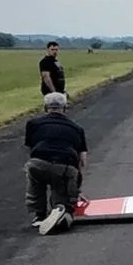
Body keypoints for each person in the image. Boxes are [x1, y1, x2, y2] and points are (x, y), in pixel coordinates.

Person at [24, 92, 87, 234]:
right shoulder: (76, 128)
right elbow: (82, 159)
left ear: (45, 107)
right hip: (65, 166)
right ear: (64, 108)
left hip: (38, 162)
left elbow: (29, 149)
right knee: (63, 199)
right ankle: (61, 213)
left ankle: (39, 216)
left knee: (35, 182)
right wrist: (76, 188)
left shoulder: (33, 124)